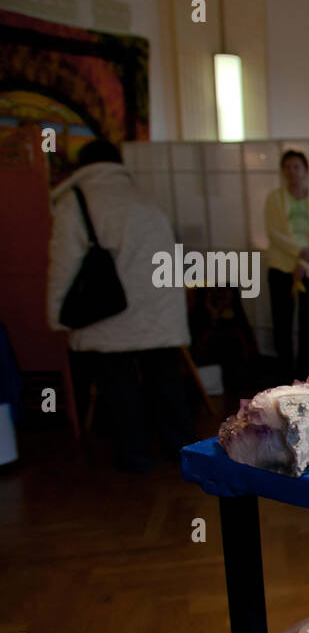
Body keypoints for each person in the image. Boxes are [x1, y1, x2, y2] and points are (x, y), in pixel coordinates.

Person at [46, 138, 193, 472]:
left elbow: (63, 263)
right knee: (166, 381)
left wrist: (56, 313)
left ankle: (136, 457)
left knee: (119, 385)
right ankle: (181, 450)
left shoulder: (76, 201)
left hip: (111, 310)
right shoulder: (144, 195)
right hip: (161, 308)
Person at [265, 149, 309, 382]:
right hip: (282, 266)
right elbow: (275, 233)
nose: (292, 172)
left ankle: (306, 374)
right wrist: (299, 252)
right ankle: (283, 374)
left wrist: (304, 260)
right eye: (288, 167)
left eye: (296, 167)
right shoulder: (275, 198)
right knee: (282, 321)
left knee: (307, 322)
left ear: (305, 171)